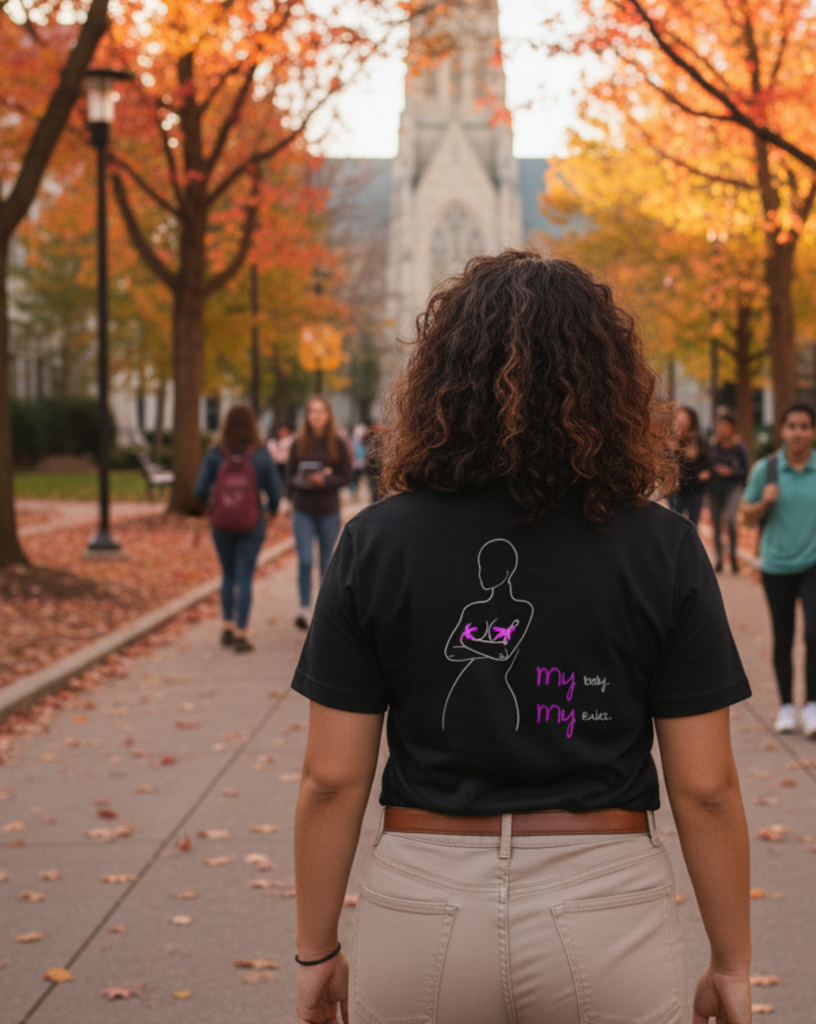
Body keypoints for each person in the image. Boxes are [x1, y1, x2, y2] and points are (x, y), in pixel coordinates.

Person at [290, 251, 753, 1024]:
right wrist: (731, 962)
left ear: (441, 379)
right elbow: (705, 790)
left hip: (421, 907)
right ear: (609, 383)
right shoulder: (662, 547)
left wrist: (316, 950)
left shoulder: (375, 542)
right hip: (606, 910)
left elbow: (332, 779)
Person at [741, 403, 816, 738]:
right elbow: (746, 515)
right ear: (782, 431)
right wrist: (765, 501)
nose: (798, 432)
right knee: (783, 636)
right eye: (791, 426)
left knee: (815, 634)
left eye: (804, 426)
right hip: (776, 565)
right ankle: (787, 706)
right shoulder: (766, 470)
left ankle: (812, 706)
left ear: (813, 431)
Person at [194, 405, 280, 653]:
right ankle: (242, 632)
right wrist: (271, 511)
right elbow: (275, 491)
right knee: (245, 576)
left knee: (227, 574)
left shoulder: (215, 454)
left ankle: (227, 626)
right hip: (252, 522)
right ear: (253, 425)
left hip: (221, 522)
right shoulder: (261, 455)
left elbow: (199, 490)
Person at [287, 396, 354, 631]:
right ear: (307, 416)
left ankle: (323, 612)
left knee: (327, 563)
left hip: (328, 510)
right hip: (303, 509)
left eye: (321, 411)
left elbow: (347, 475)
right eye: (312, 412)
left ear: (328, 415)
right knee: (305, 560)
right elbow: (288, 476)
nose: (316, 416)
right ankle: (304, 608)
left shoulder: (337, 442)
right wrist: (301, 480)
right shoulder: (299, 442)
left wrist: (326, 479)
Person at [707, 410, 749, 573]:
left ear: (732, 427)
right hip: (714, 489)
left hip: (732, 488)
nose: (722, 429)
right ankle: (719, 560)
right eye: (720, 425)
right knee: (716, 525)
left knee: (731, 520)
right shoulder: (713, 447)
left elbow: (745, 470)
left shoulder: (739, 447)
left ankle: (733, 558)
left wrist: (730, 472)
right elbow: (706, 466)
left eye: (725, 425)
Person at [668, 405, 710, 523]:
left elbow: (706, 463)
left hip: (694, 490)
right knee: (676, 524)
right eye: (678, 419)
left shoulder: (698, 442)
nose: (681, 422)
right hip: (676, 491)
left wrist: (705, 473)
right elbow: (666, 463)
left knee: (693, 524)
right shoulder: (672, 442)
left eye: (685, 418)